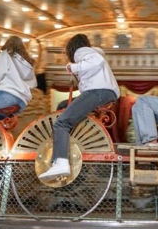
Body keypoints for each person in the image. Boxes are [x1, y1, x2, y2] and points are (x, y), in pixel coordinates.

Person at [38, 34, 119, 180]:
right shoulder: (91, 53)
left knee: (61, 123)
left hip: (97, 91)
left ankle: (60, 162)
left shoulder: (82, 51)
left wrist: (73, 66)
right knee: (63, 106)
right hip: (104, 93)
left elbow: (97, 61)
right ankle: (63, 143)